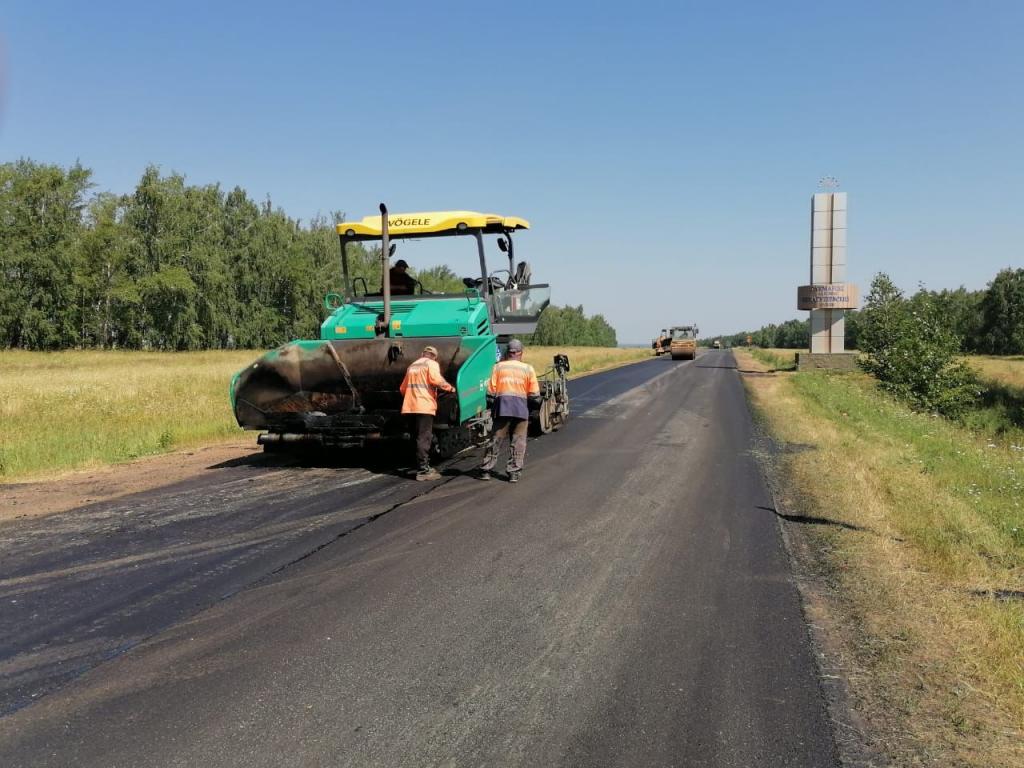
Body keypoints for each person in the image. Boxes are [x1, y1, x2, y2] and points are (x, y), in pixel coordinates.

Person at [478, 339, 541, 483]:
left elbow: (490, 392)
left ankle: (486, 470)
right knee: (518, 441)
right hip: (520, 409)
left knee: (496, 439)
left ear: (508, 352)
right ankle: (514, 472)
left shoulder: (498, 367)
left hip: (502, 408)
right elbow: (534, 394)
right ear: (521, 353)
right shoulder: (528, 369)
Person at [399, 345, 455, 481]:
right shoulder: (431, 364)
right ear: (434, 356)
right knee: (424, 437)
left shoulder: (412, 366)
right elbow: (437, 381)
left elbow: (402, 388)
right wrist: (450, 388)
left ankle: (418, 465)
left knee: (415, 436)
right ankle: (423, 470)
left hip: (409, 406)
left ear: (422, 354)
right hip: (424, 406)